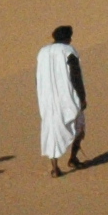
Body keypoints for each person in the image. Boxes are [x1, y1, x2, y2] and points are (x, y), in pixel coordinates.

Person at [36, 25, 86, 175]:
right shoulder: (68, 50)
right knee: (79, 127)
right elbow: (75, 76)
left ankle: (54, 168)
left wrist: (42, 95)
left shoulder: (42, 52)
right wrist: (82, 97)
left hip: (47, 98)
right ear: (68, 37)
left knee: (52, 129)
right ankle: (73, 158)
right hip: (67, 96)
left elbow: (38, 77)